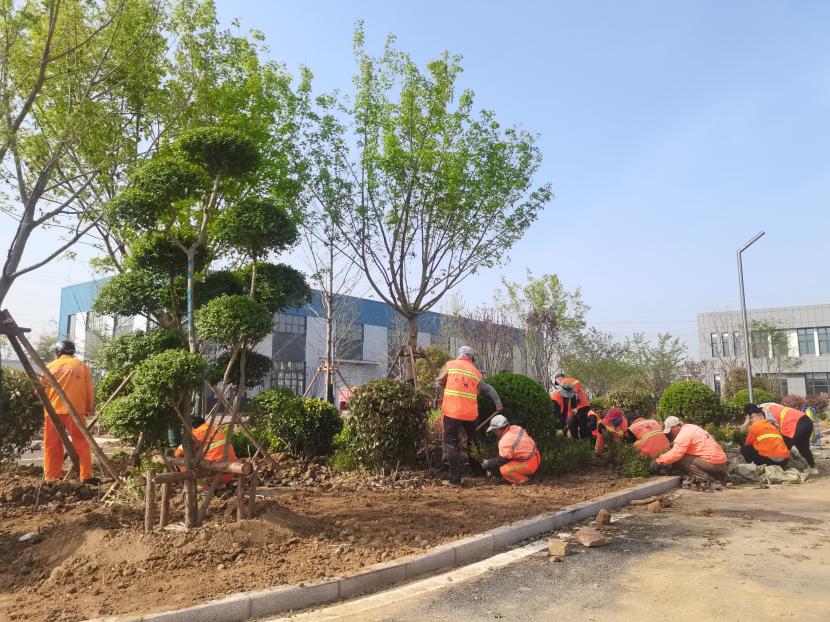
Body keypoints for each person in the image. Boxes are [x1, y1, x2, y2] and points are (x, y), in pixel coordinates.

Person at [436, 345, 503, 486]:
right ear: (471, 358)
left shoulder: (450, 365)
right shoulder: (475, 372)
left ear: (459, 354)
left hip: (452, 412)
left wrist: (444, 391)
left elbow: (438, 383)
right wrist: (498, 404)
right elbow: (489, 389)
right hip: (470, 414)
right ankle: (477, 470)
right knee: (473, 441)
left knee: (451, 444)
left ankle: (455, 479)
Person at [41, 340, 96, 483]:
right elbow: (89, 389)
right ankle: (86, 476)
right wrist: (89, 408)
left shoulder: (49, 367)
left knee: (52, 445)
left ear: (58, 352)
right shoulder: (81, 366)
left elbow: (39, 391)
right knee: (81, 443)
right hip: (75, 411)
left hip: (53, 412)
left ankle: (52, 477)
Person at [746, 403, 817, 474]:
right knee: (803, 447)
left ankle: (790, 466)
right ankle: (813, 467)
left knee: (784, 447)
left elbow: (771, 426)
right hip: (806, 420)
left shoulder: (764, 411)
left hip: (793, 424)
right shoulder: (768, 406)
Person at [655, 416, 728, 479]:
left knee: (683, 458)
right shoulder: (691, 427)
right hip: (722, 462)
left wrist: (658, 460)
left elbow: (675, 454)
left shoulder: (683, 434)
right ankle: (715, 474)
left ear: (674, 427)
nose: (670, 433)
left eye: (670, 430)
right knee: (685, 455)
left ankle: (703, 477)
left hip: (714, 464)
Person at [175, 416, 238, 485]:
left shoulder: (197, 432)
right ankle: (219, 486)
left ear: (191, 426)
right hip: (231, 471)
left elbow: (178, 452)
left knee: (182, 456)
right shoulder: (215, 428)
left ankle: (190, 481)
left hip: (215, 473)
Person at [479, 415, 540, 484]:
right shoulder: (516, 428)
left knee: (505, 470)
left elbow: (501, 461)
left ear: (497, 430)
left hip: (529, 464)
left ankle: (525, 480)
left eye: (494, 431)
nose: (495, 433)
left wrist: (487, 463)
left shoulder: (505, 441)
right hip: (536, 456)